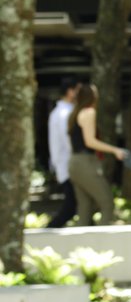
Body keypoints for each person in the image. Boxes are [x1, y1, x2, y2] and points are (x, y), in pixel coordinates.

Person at [67, 83, 126, 225]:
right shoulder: (88, 113)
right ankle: (103, 239)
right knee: (107, 202)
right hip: (84, 163)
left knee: (85, 207)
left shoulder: (74, 114)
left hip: (74, 162)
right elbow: (90, 141)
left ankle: (81, 244)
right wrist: (115, 150)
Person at [46, 77, 80, 228]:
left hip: (66, 164)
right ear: (70, 92)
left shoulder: (60, 112)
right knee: (72, 205)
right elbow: (68, 140)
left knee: (77, 203)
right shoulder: (64, 113)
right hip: (68, 164)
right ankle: (47, 232)